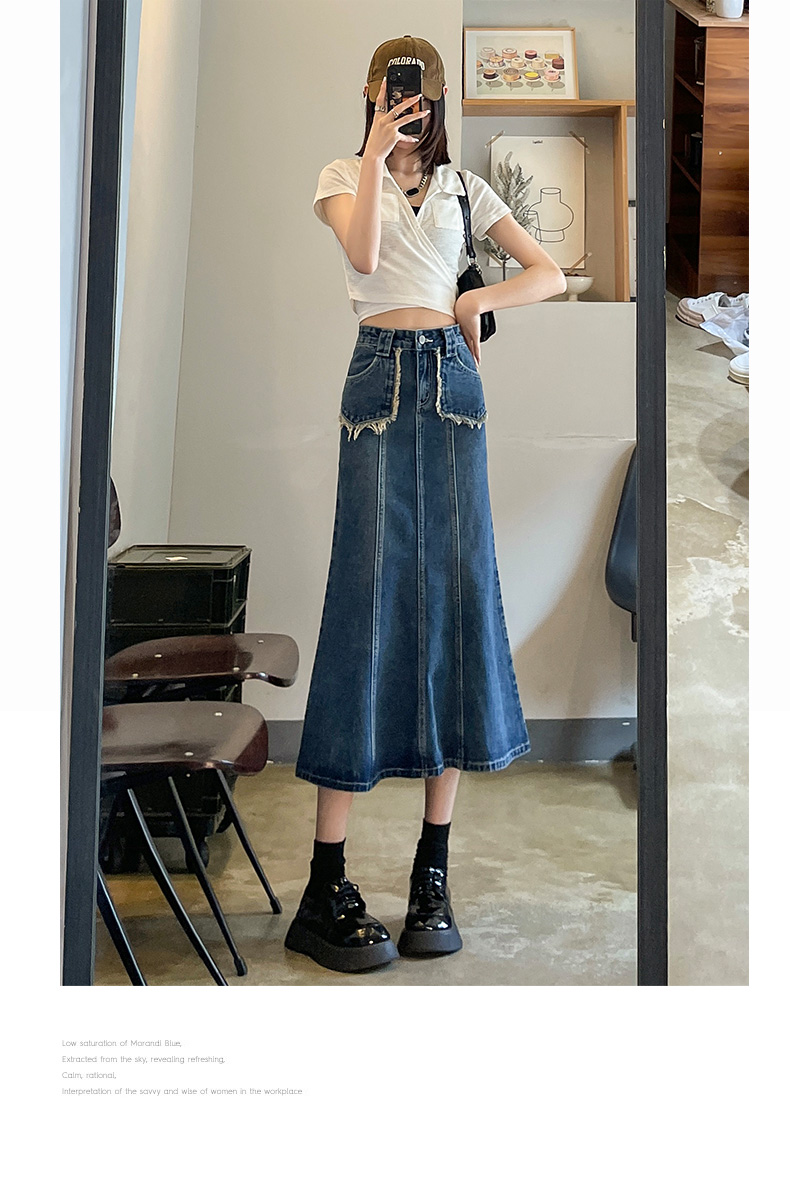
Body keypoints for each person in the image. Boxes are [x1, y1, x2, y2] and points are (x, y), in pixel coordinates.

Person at [286, 36, 566, 974]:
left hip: (452, 391)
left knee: (457, 606)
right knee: (363, 610)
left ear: (438, 100)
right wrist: (374, 153)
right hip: (377, 388)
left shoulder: (463, 190)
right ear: (371, 95)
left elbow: (549, 273)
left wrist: (478, 303)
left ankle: (430, 874)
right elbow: (365, 254)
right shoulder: (342, 175)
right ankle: (325, 883)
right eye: (391, 94)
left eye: (418, 96)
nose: (408, 107)